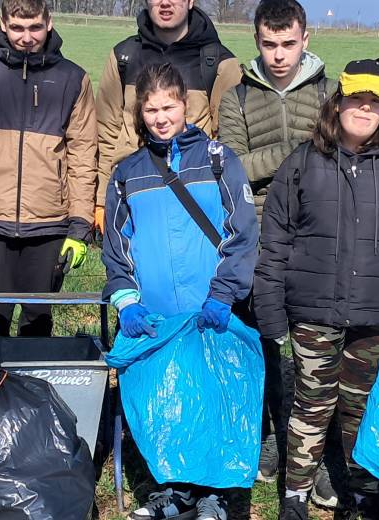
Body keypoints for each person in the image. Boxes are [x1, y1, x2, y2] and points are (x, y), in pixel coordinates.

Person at [253, 60, 379, 520]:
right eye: (356, 98)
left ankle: (362, 493)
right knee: (311, 404)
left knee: (362, 409)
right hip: (313, 308)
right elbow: (275, 236)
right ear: (338, 100)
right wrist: (269, 305)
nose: (364, 108)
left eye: (374, 101)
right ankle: (296, 495)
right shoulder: (303, 161)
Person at [102, 61, 257, 520]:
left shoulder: (218, 160)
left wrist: (224, 293)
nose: (160, 116)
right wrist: (126, 300)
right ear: (140, 112)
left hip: (209, 310)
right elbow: (116, 245)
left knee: (210, 397)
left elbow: (242, 232)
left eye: (169, 106)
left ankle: (211, 494)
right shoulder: (126, 173)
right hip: (155, 316)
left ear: (184, 106)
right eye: (151, 109)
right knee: (162, 400)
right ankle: (168, 491)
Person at [212, 0, 335, 485]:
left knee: (316, 351)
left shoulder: (329, 91)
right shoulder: (237, 98)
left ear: (306, 39)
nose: (279, 54)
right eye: (269, 44)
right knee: (264, 345)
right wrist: (302, 151)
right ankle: (267, 438)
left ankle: (316, 452)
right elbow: (234, 167)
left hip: (320, 237)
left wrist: (288, 159)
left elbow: (340, 156)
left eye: (288, 43)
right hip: (260, 239)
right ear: (256, 41)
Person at [0, 0, 97, 337]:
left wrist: (79, 227)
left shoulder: (74, 79)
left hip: (49, 225)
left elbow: (84, 157)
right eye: (17, 28)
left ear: (49, 23)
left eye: (34, 28)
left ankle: (32, 390)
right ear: (2, 24)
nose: (26, 37)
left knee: (38, 322)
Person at [94, 0, 242, 236]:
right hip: (131, 197)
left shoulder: (218, 63)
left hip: (193, 199)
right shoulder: (124, 57)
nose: (164, 2)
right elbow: (105, 131)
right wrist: (102, 200)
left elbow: (228, 140)